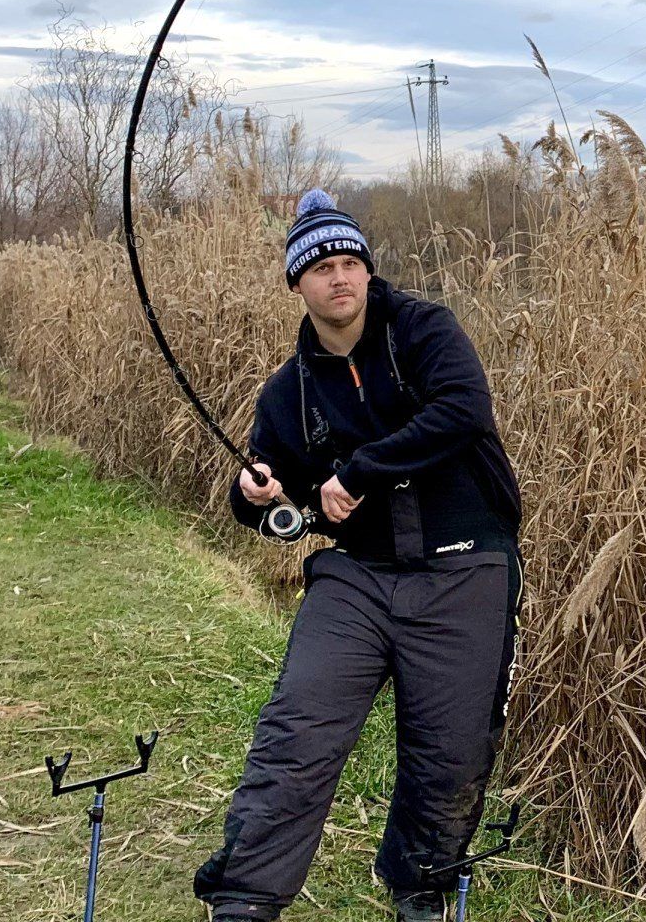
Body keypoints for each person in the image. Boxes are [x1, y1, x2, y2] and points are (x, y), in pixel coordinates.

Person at [195, 189, 524, 922]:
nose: (339, 278)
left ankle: (420, 889)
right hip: (358, 578)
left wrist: (357, 471)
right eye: (321, 268)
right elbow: (275, 502)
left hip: (466, 564)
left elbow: (463, 410)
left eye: (351, 263)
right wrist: (255, 497)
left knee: (450, 754)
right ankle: (245, 897)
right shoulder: (289, 392)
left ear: (368, 272)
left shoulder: (424, 331)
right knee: (298, 729)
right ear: (296, 284)